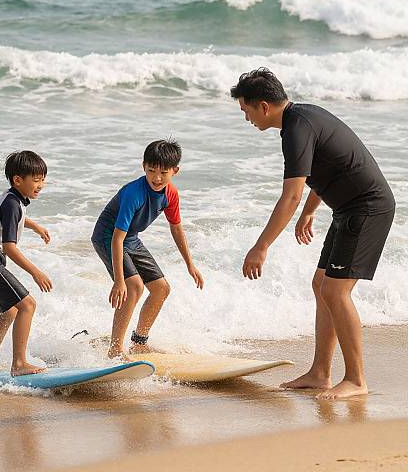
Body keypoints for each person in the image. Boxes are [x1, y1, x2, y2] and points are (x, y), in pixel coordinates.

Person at [231, 68, 395, 399]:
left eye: (246, 110)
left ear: (263, 106)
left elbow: (289, 194)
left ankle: (356, 380)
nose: (246, 118)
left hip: (367, 208)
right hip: (349, 209)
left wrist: (261, 247)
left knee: (336, 291)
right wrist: (309, 211)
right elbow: (327, 166)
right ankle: (321, 373)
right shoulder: (300, 120)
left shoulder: (296, 129)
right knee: (321, 285)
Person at [91, 139, 204, 358]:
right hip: (108, 236)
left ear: (175, 171)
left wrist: (190, 265)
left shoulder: (171, 194)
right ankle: (114, 350)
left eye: (163, 172)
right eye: (151, 171)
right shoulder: (134, 193)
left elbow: (177, 229)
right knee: (134, 288)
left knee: (162, 289)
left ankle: (139, 343)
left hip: (131, 238)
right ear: (144, 166)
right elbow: (116, 238)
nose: (157, 178)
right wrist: (119, 281)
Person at [0, 150, 53, 376]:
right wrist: (35, 272)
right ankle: (20, 363)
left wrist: (35, 227)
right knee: (28, 305)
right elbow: (9, 248)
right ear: (18, 180)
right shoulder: (13, 204)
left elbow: (15, 217)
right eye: (36, 180)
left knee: (11, 310)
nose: (41, 185)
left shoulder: (14, 199)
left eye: (43, 179)